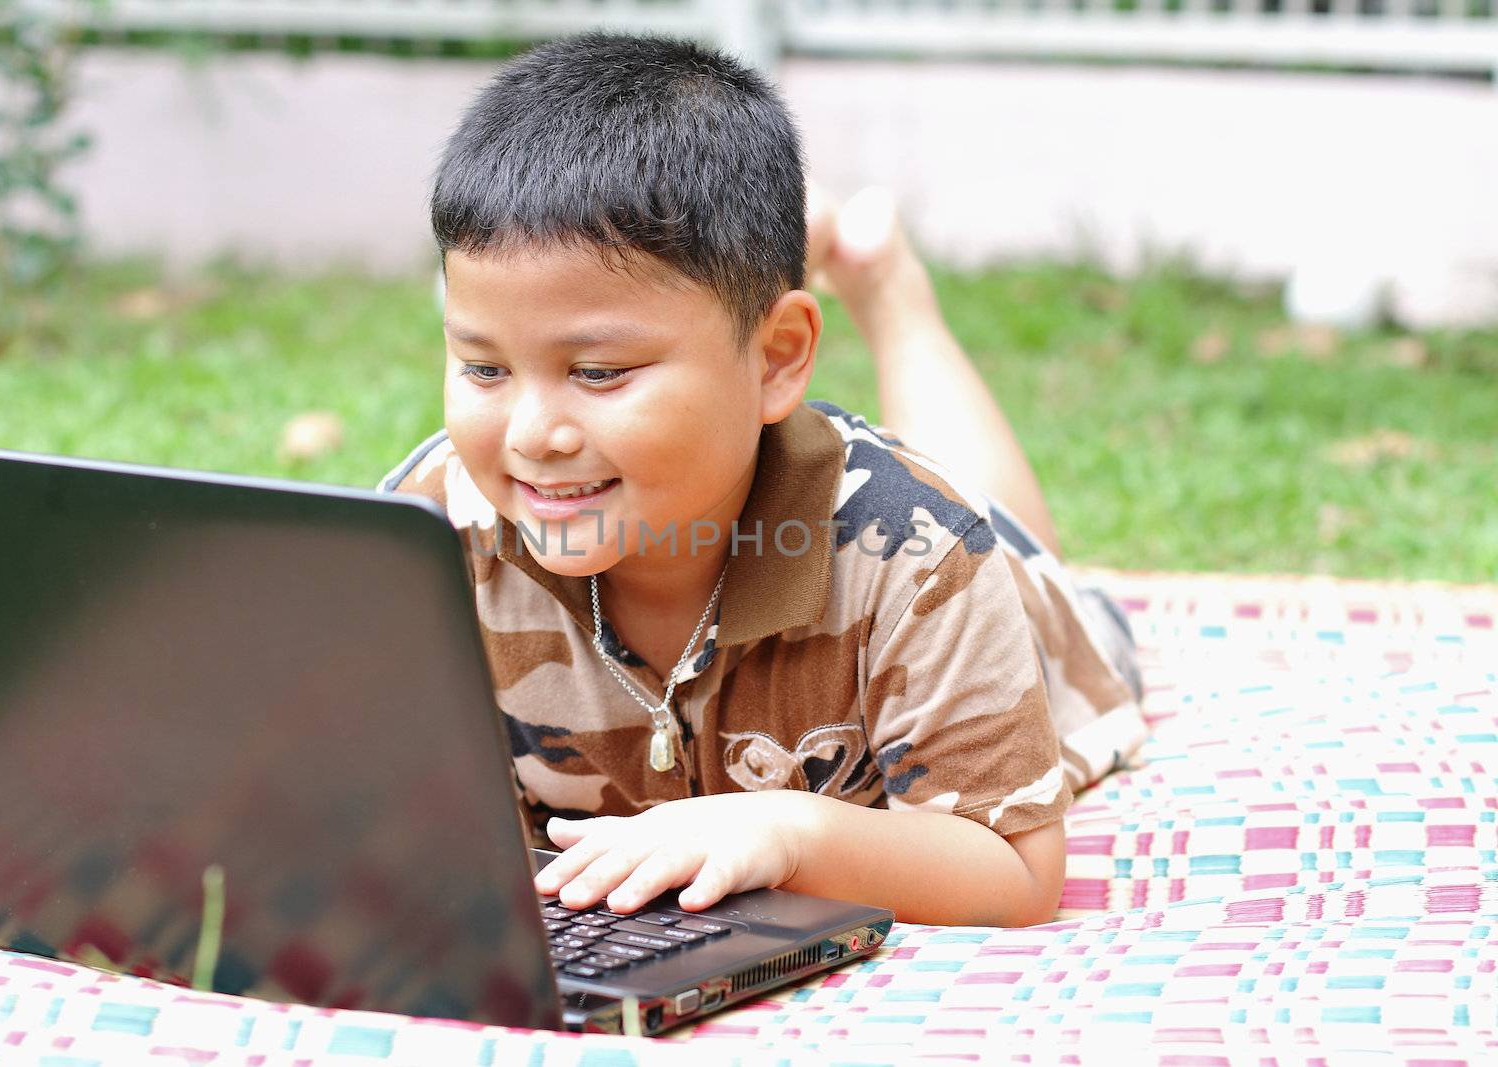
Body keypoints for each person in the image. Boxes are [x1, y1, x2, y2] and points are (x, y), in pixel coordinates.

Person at [381, 32, 1145, 927]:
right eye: (483, 368)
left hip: (983, 581)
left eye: (597, 373)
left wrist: (792, 831)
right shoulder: (423, 535)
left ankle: (887, 288)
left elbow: (1014, 875)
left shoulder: (924, 553)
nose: (532, 435)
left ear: (779, 357)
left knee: (1010, 540)